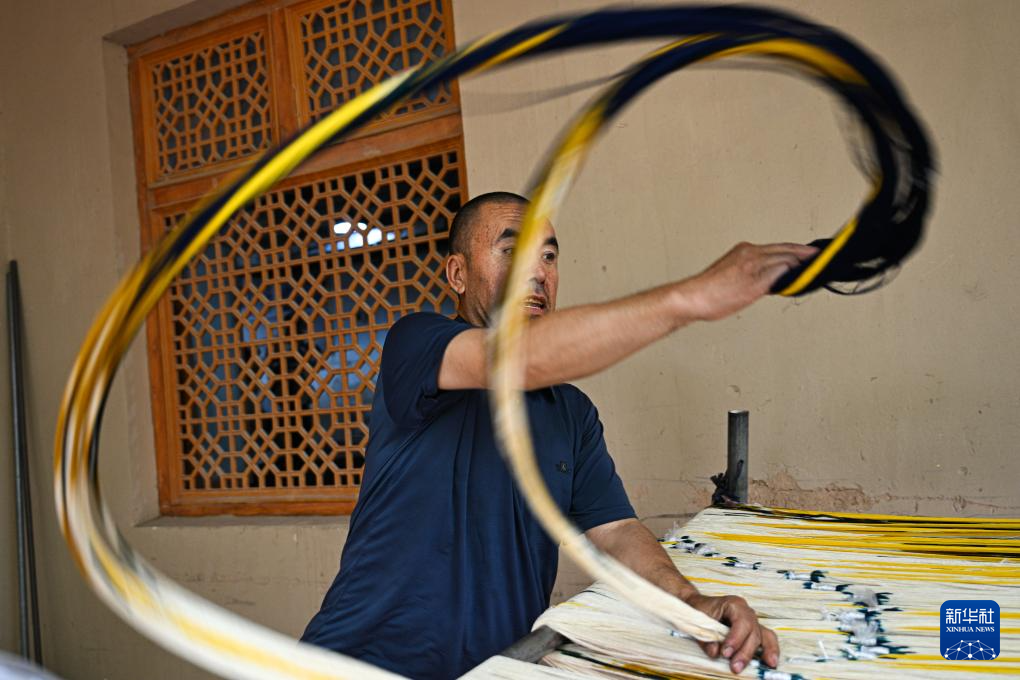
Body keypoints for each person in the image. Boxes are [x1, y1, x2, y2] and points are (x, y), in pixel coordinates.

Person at [303, 191, 818, 679]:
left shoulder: (570, 412)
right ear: (457, 274)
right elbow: (517, 359)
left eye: (548, 256)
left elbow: (616, 531)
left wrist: (688, 603)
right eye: (512, 251)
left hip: (497, 668)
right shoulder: (416, 344)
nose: (537, 272)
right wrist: (692, 297)